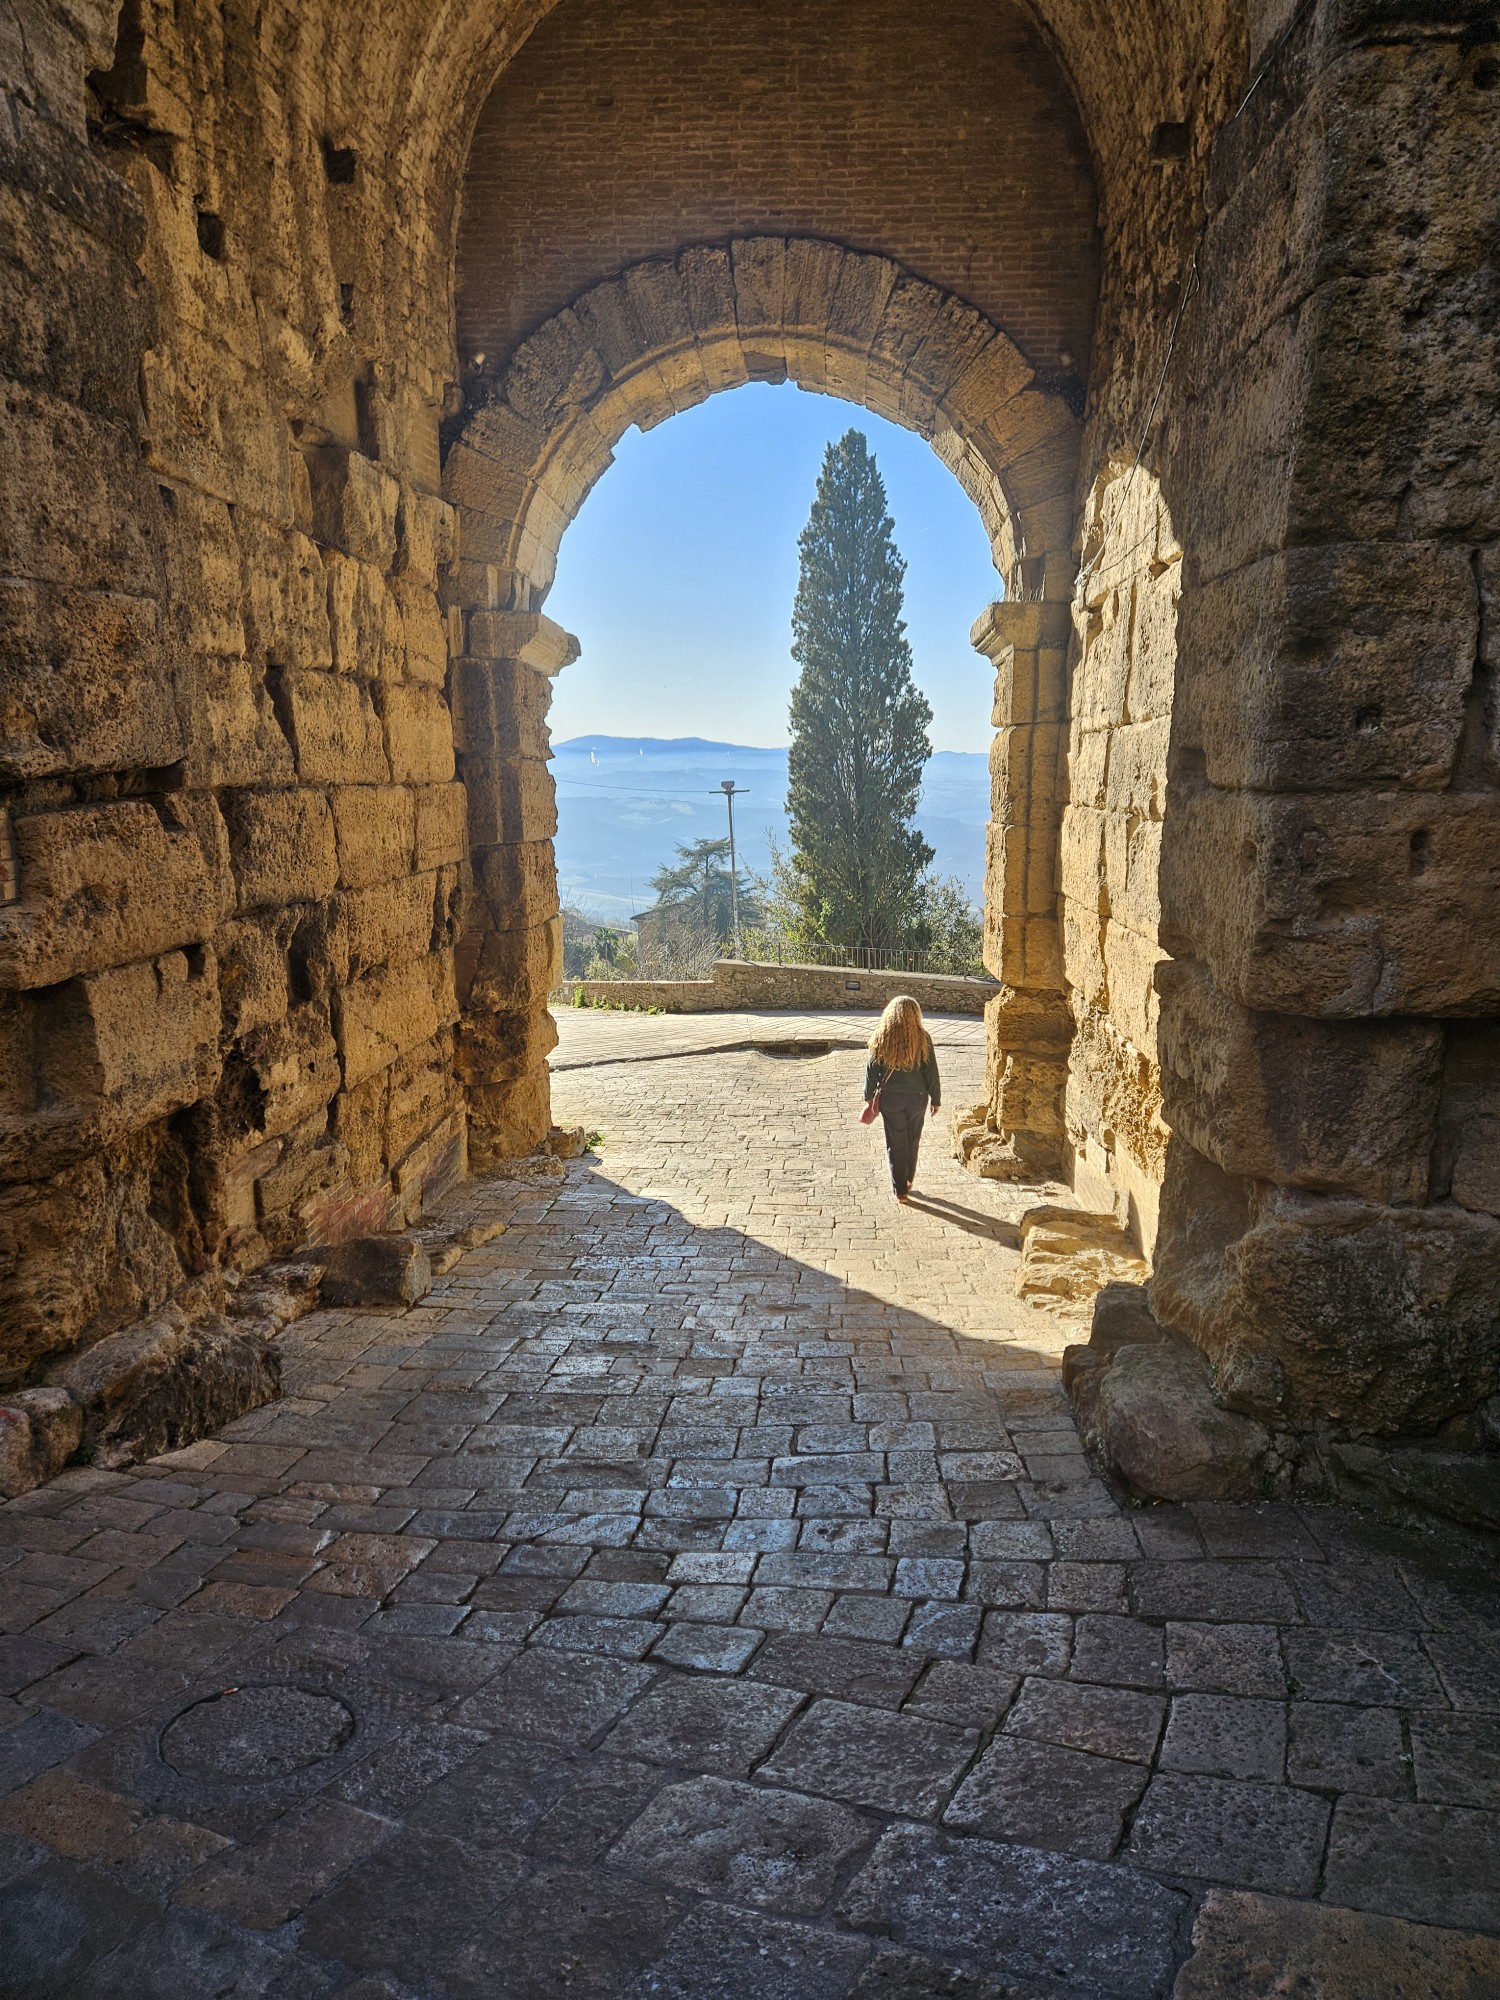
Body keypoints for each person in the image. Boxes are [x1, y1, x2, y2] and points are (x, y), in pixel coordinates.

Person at [862, 995, 941, 1203]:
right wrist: (936, 1098)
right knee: (913, 1139)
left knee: (896, 1141)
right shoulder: (923, 1038)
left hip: (891, 1098)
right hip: (918, 1098)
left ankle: (900, 1190)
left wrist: (868, 1096)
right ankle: (908, 1179)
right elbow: (931, 1071)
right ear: (916, 1014)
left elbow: (871, 1070)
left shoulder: (881, 1036)